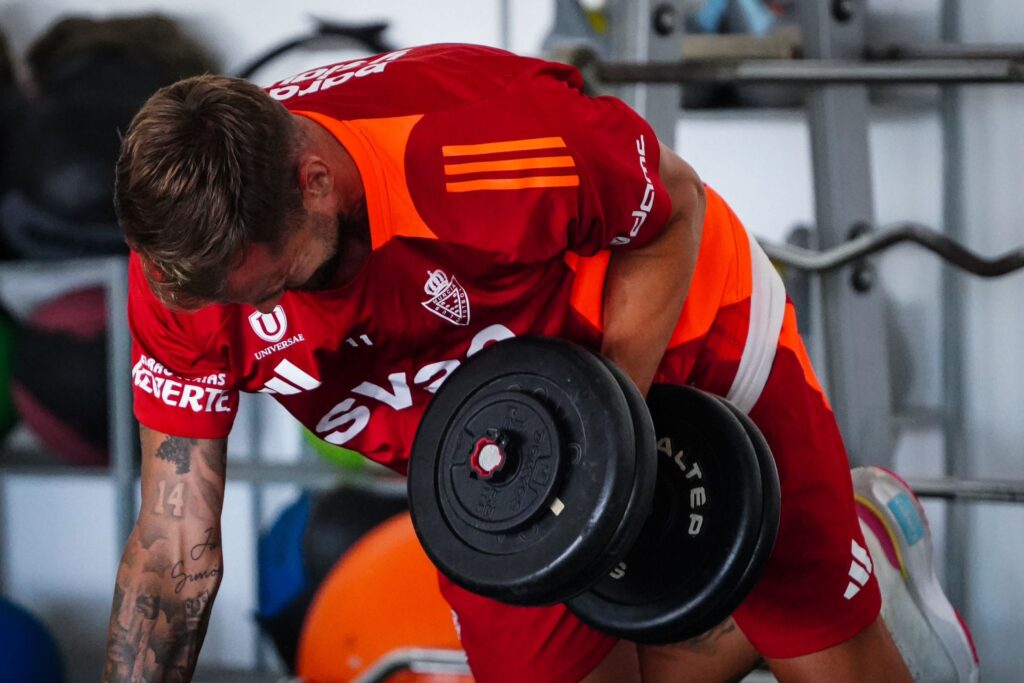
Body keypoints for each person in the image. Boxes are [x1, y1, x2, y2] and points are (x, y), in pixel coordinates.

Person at [103, 43, 976, 682]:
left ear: (315, 181)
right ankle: (735, 605)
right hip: (493, 460)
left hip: (677, 339)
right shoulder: (190, 274)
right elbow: (173, 545)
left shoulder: (481, 146)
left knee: (826, 655)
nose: (252, 319)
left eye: (273, 287)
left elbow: (674, 211)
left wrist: (602, 446)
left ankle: (847, 550)